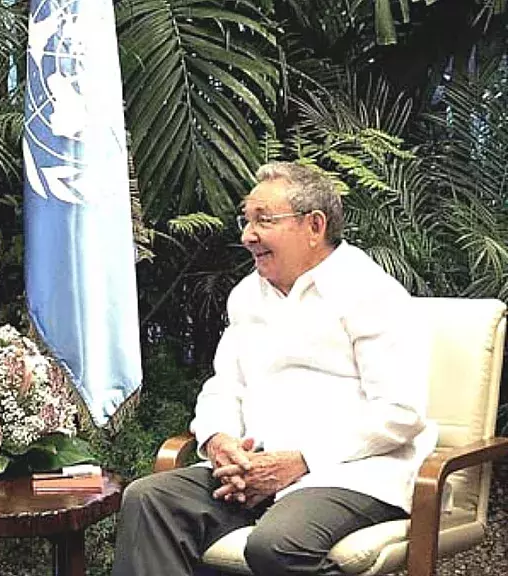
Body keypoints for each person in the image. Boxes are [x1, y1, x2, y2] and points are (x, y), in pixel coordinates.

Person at [112, 162, 438, 576]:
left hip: (350, 475)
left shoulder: (370, 293)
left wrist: (300, 460)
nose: (247, 236)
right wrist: (219, 441)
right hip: (251, 472)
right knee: (148, 500)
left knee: (277, 545)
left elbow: (400, 412)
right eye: (245, 220)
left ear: (314, 226)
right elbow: (223, 385)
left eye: (263, 221)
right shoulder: (248, 295)